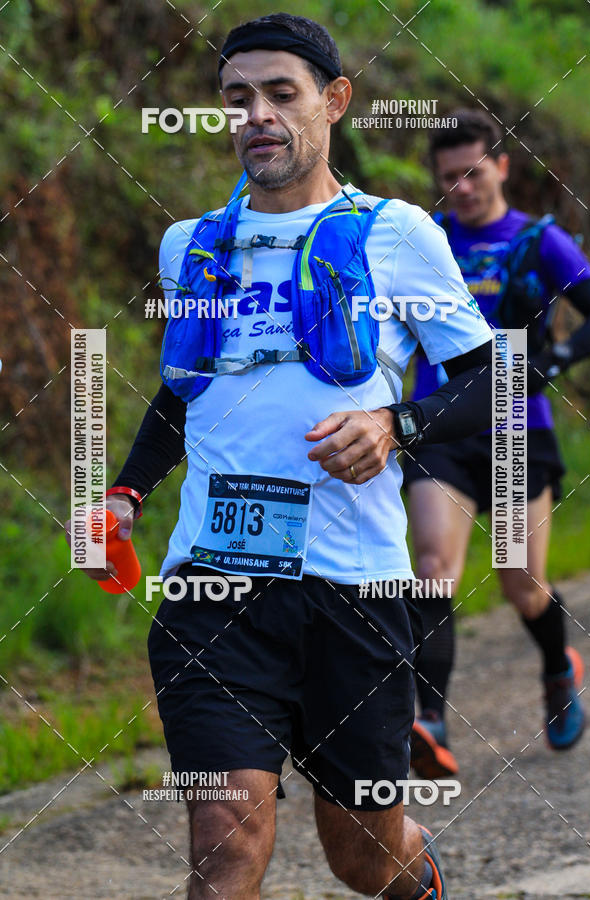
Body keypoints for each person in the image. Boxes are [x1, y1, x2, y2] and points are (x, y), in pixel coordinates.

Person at [67, 17, 494, 899]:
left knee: (364, 859)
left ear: (334, 102)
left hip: (354, 593)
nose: (255, 114)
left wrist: (395, 423)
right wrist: (125, 493)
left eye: (280, 94)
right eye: (236, 98)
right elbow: (186, 390)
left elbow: (492, 380)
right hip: (210, 592)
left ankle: (423, 876)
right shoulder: (192, 246)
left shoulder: (397, 233)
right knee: (223, 840)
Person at [404, 108, 590, 780]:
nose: (461, 188)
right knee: (433, 566)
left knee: (523, 586)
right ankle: (428, 721)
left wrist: (562, 354)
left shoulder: (539, 241)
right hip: (442, 431)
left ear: (502, 166)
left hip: (517, 433)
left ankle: (556, 666)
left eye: (473, 172)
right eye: (448, 178)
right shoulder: (426, 242)